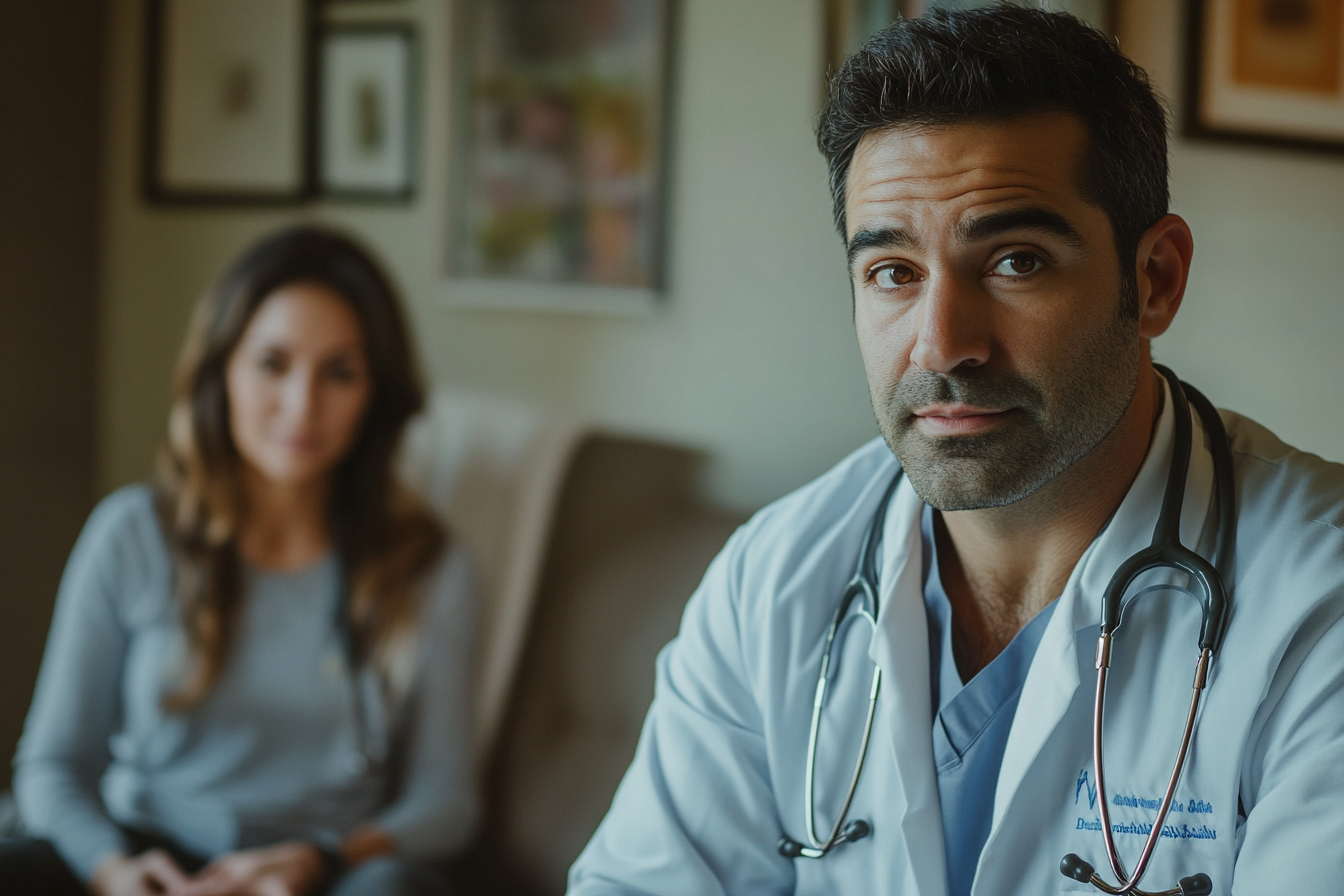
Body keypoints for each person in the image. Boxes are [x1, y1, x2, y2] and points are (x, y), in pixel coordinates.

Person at [567, 8, 1344, 896]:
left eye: (1016, 261)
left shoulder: (1319, 607)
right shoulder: (773, 580)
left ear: (1154, 278)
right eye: (893, 272)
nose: (941, 345)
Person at [3, 227, 479, 895]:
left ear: (376, 394)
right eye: (273, 363)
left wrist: (326, 859)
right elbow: (52, 767)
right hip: (143, 855)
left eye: (339, 371)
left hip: (318, 870)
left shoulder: (428, 567)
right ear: (221, 369)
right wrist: (112, 871)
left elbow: (446, 805)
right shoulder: (131, 535)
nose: (302, 404)